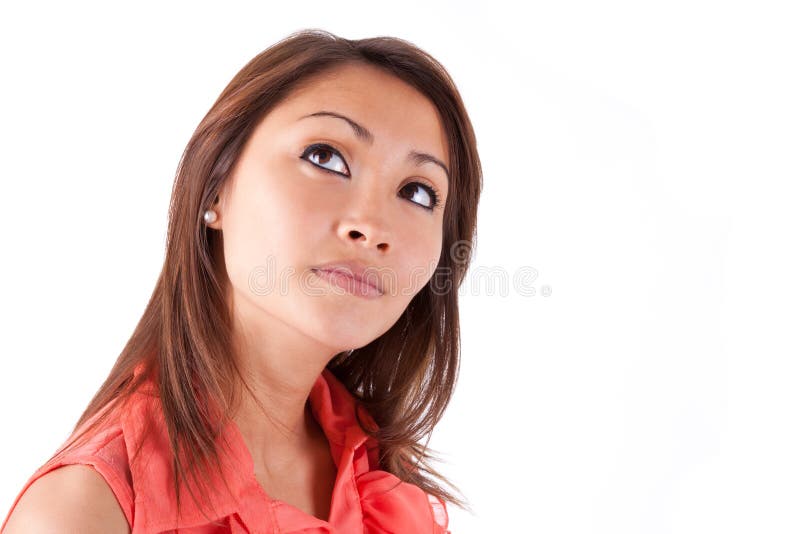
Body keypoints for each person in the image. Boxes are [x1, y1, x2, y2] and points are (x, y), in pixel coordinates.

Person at [1, 28, 482, 533]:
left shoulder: (382, 484)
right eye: (325, 157)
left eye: (418, 192)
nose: (372, 226)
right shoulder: (84, 511)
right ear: (215, 189)